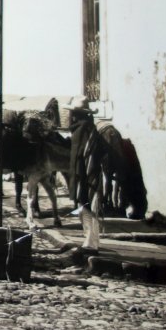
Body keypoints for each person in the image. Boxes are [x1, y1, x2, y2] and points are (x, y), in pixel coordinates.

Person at [64, 95, 105, 250]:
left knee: (87, 207)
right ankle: (89, 241)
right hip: (83, 174)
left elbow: (83, 155)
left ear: (78, 114)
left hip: (85, 175)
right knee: (84, 208)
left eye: (73, 112)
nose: (71, 115)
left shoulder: (82, 129)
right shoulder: (84, 128)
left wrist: (81, 175)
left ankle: (91, 242)